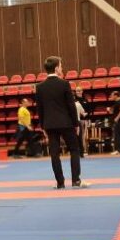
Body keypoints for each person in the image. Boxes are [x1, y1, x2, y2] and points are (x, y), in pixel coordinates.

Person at [35, 56, 87, 189]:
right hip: (66, 123)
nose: (62, 68)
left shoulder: (39, 87)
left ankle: (60, 183)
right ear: (57, 68)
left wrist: (43, 126)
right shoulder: (64, 84)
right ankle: (76, 180)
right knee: (74, 149)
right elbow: (71, 106)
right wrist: (76, 124)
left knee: (54, 153)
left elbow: (40, 109)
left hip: (50, 124)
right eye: (61, 66)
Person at [74, 86, 92, 157]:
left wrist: (85, 114)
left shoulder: (85, 100)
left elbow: (89, 110)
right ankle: (78, 150)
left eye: (79, 90)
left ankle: (84, 150)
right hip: (76, 121)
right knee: (76, 137)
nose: (78, 92)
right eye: (77, 91)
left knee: (83, 136)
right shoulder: (74, 100)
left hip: (84, 120)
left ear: (82, 91)